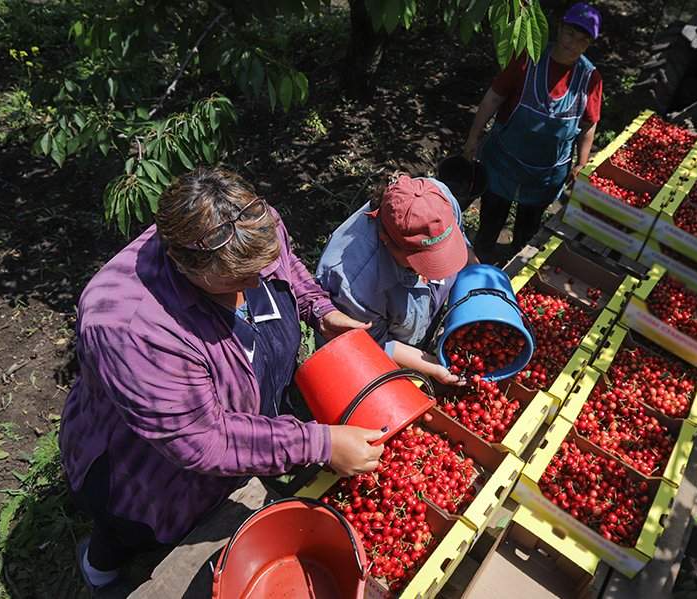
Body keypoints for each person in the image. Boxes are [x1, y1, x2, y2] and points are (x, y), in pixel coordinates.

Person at [60, 167, 384, 590]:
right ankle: (99, 570)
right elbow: (203, 439)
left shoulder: (249, 223)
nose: (257, 284)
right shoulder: (130, 327)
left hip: (228, 437)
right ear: (181, 263)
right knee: (128, 529)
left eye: (261, 271)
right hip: (144, 473)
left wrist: (318, 310)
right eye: (241, 280)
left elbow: (285, 267)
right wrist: (319, 443)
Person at [463, 2, 603, 261]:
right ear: (559, 28)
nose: (573, 43)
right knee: (491, 222)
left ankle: (511, 270)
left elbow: (589, 124)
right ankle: (477, 264)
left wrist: (582, 163)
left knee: (526, 233)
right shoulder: (529, 57)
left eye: (582, 40)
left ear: (588, 45)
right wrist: (473, 136)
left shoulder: (590, 78)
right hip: (503, 163)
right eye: (570, 34)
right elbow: (493, 98)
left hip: (545, 174)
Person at [317, 174, 473, 385]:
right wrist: (433, 366)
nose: (435, 272)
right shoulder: (354, 284)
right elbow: (375, 343)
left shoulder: (436, 198)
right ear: (386, 240)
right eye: (422, 260)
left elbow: (460, 237)